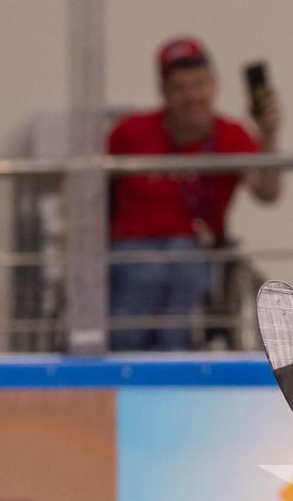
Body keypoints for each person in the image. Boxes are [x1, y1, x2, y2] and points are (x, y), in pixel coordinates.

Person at [107, 37, 283, 352]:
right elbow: (87, 189)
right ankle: (123, 359)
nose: (192, 96)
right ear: (163, 92)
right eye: (180, 88)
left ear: (214, 84)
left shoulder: (231, 136)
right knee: (147, 273)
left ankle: (174, 363)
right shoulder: (131, 132)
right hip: (130, 245)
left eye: (199, 84)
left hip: (193, 246)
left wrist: (268, 135)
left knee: (183, 267)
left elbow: (268, 192)